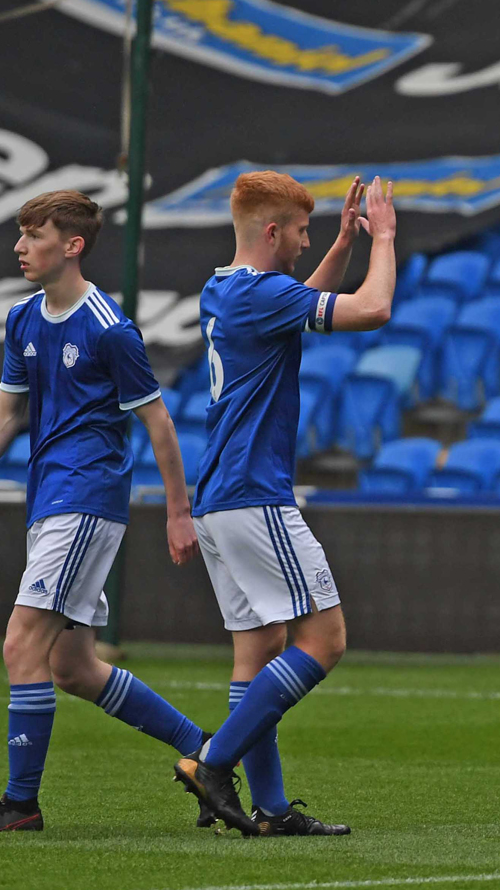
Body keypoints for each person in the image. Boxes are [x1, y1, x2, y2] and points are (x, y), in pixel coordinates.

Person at [0, 191, 206, 832]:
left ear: (73, 245)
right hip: (50, 499)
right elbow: (9, 410)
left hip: (86, 499)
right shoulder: (23, 318)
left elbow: (158, 420)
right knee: (74, 668)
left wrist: (177, 509)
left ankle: (20, 806)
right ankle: (207, 752)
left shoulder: (109, 329)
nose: (20, 247)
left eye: (33, 235)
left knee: (20, 642)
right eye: (22, 235)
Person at [171, 172, 398, 836]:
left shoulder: (224, 286)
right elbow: (373, 309)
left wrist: (342, 244)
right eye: (299, 231)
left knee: (260, 649)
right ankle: (214, 762)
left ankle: (270, 812)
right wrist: (382, 238)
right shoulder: (263, 294)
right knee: (324, 640)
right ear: (272, 232)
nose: (305, 240)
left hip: (218, 496)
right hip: (253, 493)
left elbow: (300, 295)